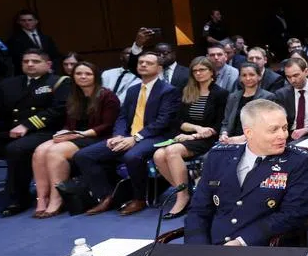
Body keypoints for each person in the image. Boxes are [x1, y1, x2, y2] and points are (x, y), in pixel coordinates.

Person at [185, 99, 308, 246]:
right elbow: (199, 210)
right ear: (249, 133)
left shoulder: (297, 161)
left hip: (262, 248)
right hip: (215, 247)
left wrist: (242, 241)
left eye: (284, 128)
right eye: (274, 130)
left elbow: (293, 214)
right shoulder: (218, 157)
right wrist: (198, 248)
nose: (283, 135)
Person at [74, 50, 181, 216]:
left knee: (132, 156)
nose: (143, 65)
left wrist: (135, 138)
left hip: (157, 136)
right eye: (141, 62)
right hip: (128, 136)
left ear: (159, 68)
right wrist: (118, 135)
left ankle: (139, 198)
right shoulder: (133, 90)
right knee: (83, 155)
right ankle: (107, 196)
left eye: (149, 63)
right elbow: (122, 117)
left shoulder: (168, 90)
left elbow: (163, 121)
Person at [0, 48, 72, 216]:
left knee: (16, 149)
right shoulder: (9, 84)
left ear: (48, 64)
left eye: (35, 61)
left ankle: (17, 199)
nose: (30, 64)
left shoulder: (58, 82)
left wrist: (28, 125)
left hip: (44, 131)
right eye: (26, 61)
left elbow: (58, 111)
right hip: (12, 131)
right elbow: (1, 108)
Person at [29, 61, 119, 217]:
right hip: (76, 135)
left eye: (88, 74)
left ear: (95, 76)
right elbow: (69, 123)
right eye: (78, 74)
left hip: (99, 137)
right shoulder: (73, 96)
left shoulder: (107, 95)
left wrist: (81, 134)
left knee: (55, 152)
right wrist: (62, 133)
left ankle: (57, 199)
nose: (83, 77)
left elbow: (107, 125)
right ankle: (42, 199)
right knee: (40, 150)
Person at [151, 57, 228, 218]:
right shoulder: (187, 91)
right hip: (188, 135)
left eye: (202, 70)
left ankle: (182, 197)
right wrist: (195, 129)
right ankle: (185, 192)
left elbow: (218, 125)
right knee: (158, 155)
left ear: (211, 72)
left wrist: (195, 135)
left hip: (208, 138)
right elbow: (179, 121)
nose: (198, 73)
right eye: (195, 71)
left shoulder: (220, 94)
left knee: (172, 151)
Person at [220, 63, 277, 145]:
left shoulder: (268, 97)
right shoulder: (233, 97)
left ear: (259, 76)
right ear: (240, 78)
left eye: (252, 75)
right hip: (230, 139)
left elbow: (267, 125)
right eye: (244, 75)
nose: (248, 78)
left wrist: (243, 138)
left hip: (254, 141)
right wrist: (224, 134)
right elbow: (225, 122)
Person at [274, 56, 308, 141]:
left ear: (306, 72)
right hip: (289, 136)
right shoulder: (281, 94)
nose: (292, 80)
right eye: (288, 77)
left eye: (296, 75)